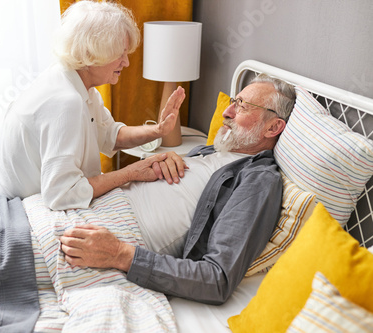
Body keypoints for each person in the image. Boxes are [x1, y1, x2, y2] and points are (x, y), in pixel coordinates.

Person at [59, 74, 297, 304]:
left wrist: (119, 254)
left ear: (273, 127)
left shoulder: (259, 180)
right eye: (234, 101)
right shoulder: (208, 151)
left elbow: (216, 279)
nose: (227, 111)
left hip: (106, 236)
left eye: (242, 106)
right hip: (85, 209)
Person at [0, 0, 186, 210]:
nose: (126, 62)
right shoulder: (66, 102)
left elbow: (110, 135)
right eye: (120, 54)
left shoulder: (77, 83)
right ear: (92, 54)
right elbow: (62, 194)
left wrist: (158, 130)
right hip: (15, 209)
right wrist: (132, 172)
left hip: (17, 197)